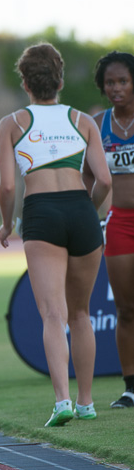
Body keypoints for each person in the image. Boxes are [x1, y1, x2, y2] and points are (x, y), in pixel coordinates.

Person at [0, 43, 111, 427]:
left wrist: (6, 224)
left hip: (41, 213)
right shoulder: (83, 120)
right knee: (81, 314)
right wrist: (87, 211)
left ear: (25, 83)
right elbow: (105, 180)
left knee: (52, 314)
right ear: (60, 81)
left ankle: (62, 401)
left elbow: (8, 187)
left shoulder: (12, 123)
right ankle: (87, 402)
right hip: (81, 211)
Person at [86, 51, 134, 409]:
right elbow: (87, 174)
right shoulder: (97, 124)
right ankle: (130, 387)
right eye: (110, 83)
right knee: (126, 308)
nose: (116, 88)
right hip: (119, 222)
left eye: (123, 81)